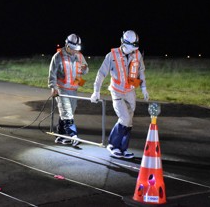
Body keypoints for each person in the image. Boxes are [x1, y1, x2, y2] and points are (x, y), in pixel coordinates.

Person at [91, 30, 149, 159]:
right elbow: (101, 74)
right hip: (117, 91)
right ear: (124, 43)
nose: (133, 49)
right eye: (132, 46)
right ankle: (112, 145)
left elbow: (141, 71)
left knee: (129, 122)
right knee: (124, 118)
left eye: (135, 46)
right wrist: (96, 91)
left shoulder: (137, 54)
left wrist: (144, 88)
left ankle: (123, 148)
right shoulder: (111, 56)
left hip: (130, 92)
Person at [48, 34, 89, 146]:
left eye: (77, 49)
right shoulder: (58, 56)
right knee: (67, 112)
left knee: (68, 112)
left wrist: (85, 69)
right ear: (67, 45)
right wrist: (53, 87)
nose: (75, 51)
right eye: (73, 49)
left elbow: (85, 69)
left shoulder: (79, 56)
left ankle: (60, 136)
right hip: (62, 89)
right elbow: (52, 74)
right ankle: (73, 136)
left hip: (73, 90)